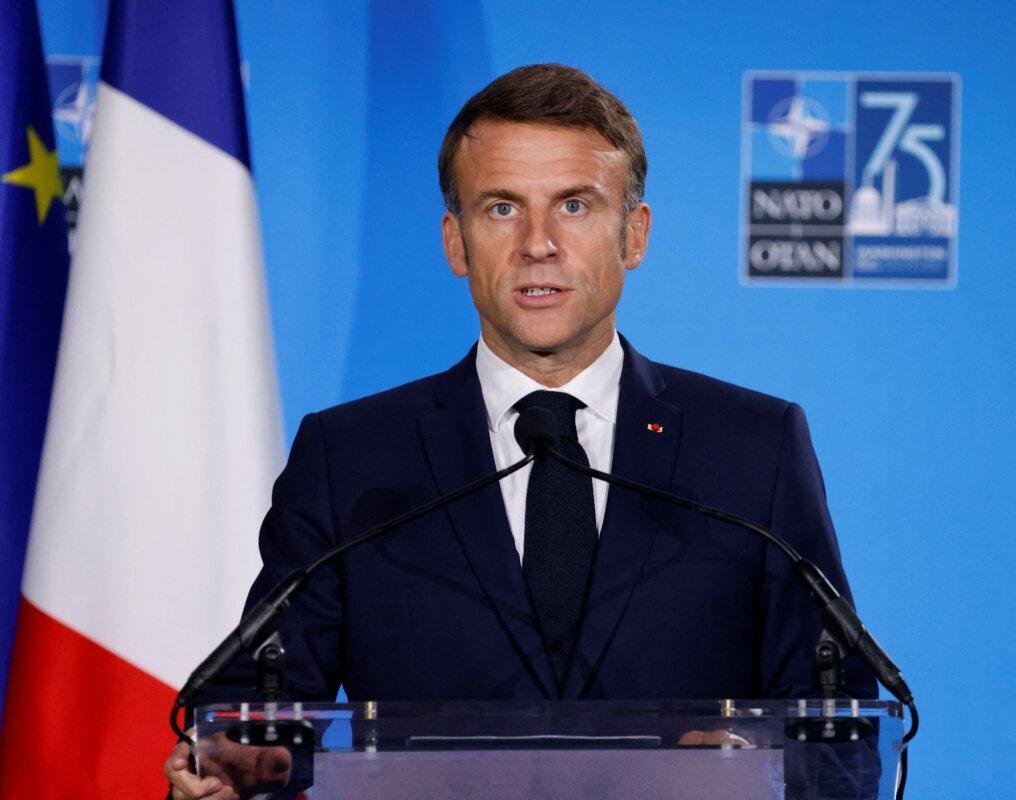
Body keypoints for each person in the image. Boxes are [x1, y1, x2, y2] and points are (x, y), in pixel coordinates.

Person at [166, 63, 875, 800]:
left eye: (574, 205)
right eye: (502, 208)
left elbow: (838, 726)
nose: (539, 243)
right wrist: (232, 767)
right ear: (456, 242)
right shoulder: (352, 458)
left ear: (633, 234)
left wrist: (752, 765)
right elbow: (263, 707)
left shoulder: (752, 447)